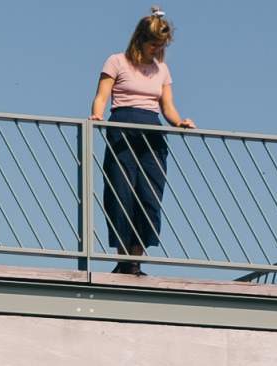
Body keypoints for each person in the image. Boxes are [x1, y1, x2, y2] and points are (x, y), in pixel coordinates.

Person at [89, 7, 195, 275]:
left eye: (161, 46)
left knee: (149, 195)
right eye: (153, 44)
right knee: (120, 193)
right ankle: (124, 260)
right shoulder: (116, 61)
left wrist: (179, 122)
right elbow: (102, 94)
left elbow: (167, 106)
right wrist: (96, 115)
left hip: (152, 131)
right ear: (140, 39)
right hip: (123, 126)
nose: (156, 50)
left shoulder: (162, 70)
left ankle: (135, 262)